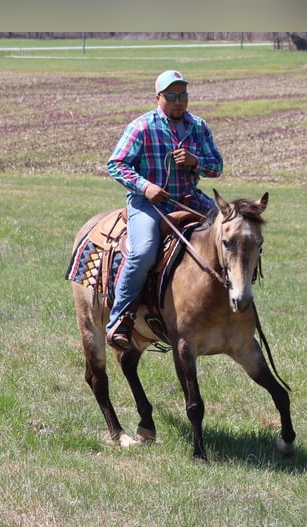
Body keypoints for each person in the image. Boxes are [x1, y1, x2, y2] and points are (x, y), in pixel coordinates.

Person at [105, 70, 224, 350]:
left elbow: (217, 166)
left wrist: (196, 162)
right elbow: (116, 164)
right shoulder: (142, 127)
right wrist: (145, 187)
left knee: (233, 234)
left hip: (189, 198)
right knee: (144, 250)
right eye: (171, 96)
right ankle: (119, 319)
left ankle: (232, 304)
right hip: (149, 204)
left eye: (183, 95)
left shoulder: (199, 127)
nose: (178, 101)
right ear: (158, 97)